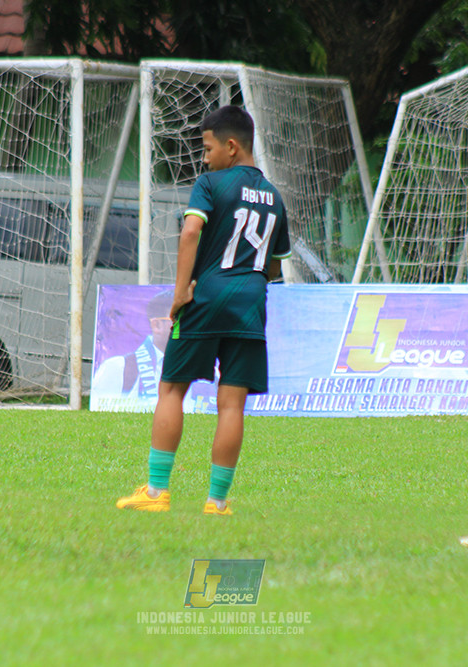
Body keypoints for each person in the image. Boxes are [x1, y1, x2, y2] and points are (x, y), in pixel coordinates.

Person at [116, 105, 291, 516]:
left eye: (208, 148)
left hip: (207, 298)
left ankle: (156, 493)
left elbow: (191, 231)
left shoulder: (211, 183)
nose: (204, 157)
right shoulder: (275, 197)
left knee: (171, 389)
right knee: (232, 405)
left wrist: (179, 294)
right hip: (251, 304)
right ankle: (217, 502)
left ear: (231, 147)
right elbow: (275, 266)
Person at [92, 290, 174, 401]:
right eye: (179, 320)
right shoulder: (118, 368)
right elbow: (100, 413)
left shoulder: (198, 368)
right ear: (157, 325)